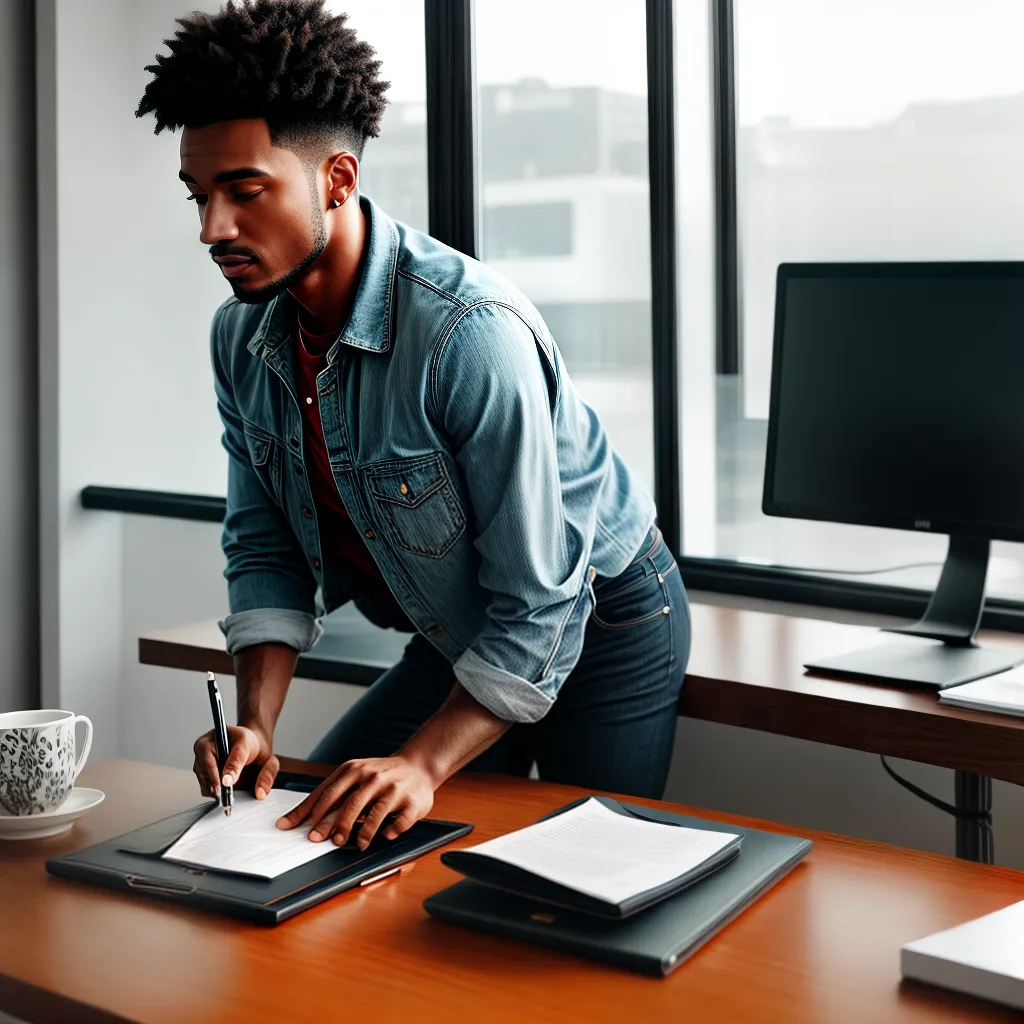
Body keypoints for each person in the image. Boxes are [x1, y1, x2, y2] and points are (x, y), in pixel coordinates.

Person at [136, 0, 690, 852]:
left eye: (245, 192)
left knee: (586, 894)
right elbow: (267, 549)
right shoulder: (240, 338)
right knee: (312, 837)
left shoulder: (469, 335)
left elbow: (542, 600)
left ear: (339, 179)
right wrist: (255, 726)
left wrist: (423, 766)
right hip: (459, 629)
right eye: (199, 196)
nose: (214, 229)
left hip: (604, 622)